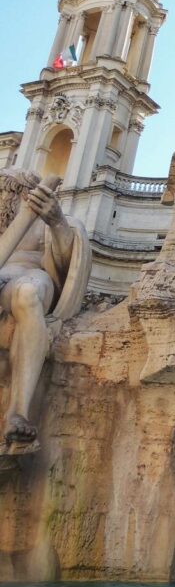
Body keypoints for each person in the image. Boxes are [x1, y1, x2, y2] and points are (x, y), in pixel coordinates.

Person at [0, 169, 90, 445]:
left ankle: (18, 412)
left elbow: (67, 265)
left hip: (33, 276)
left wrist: (57, 222)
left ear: (21, 192)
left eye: (7, 190)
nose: (3, 196)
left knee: (27, 295)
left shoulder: (46, 218)